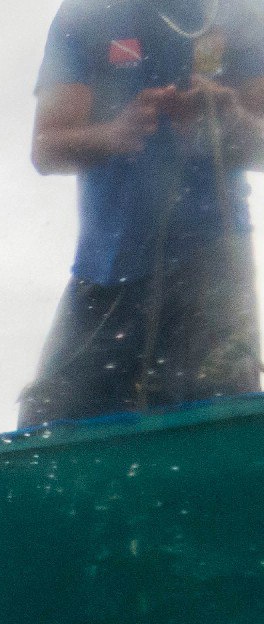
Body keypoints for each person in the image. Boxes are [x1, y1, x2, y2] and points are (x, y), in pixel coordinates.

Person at [20, 0, 264, 427]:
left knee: (222, 428)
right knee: (45, 428)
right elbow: (47, 148)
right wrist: (117, 133)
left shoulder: (241, 15)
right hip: (107, 271)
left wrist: (231, 120)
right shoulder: (85, 15)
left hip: (214, 270)